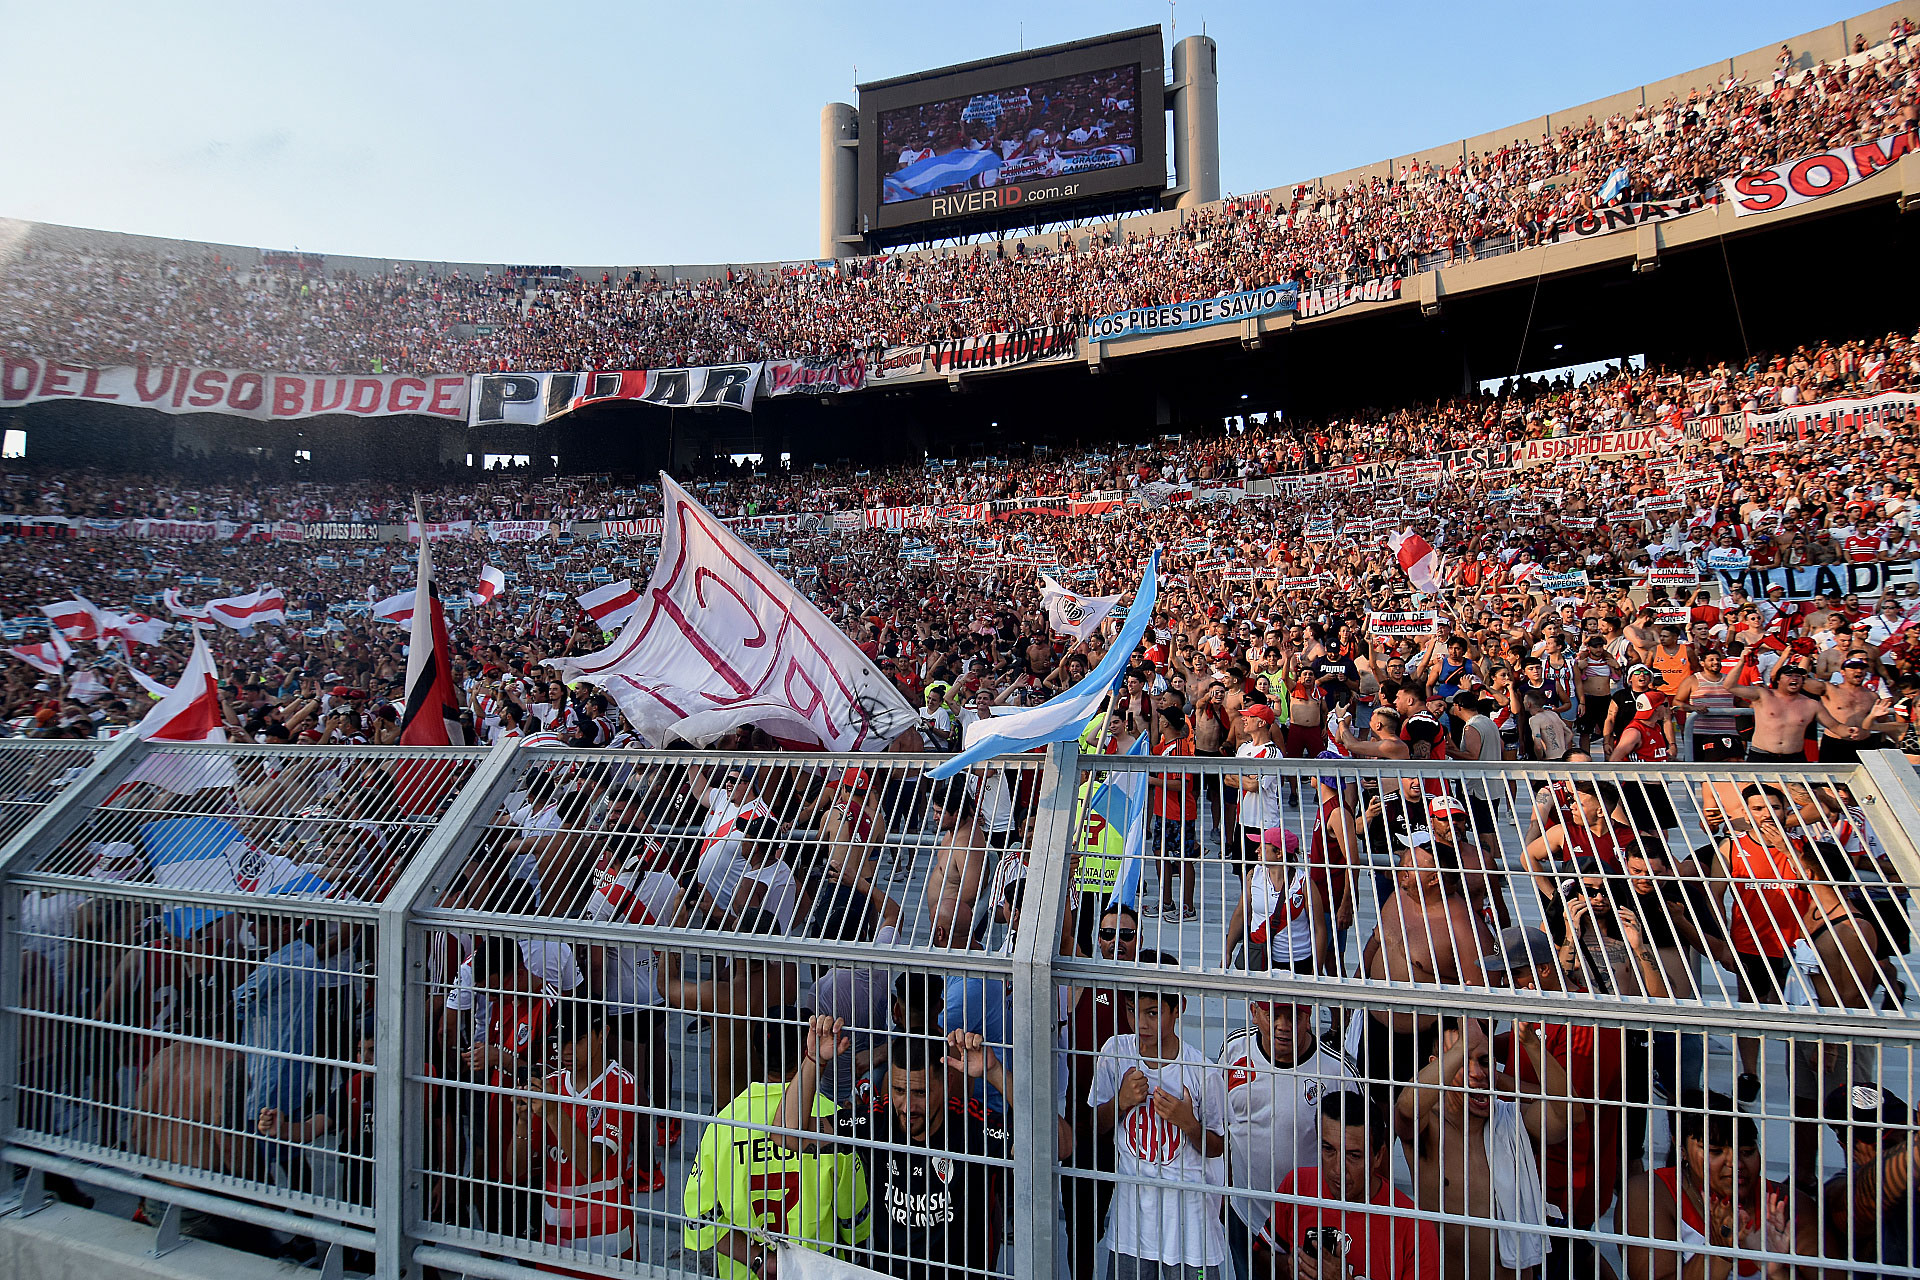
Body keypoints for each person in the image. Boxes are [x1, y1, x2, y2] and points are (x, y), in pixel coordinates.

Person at [777, 1016, 1009, 1280]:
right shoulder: (879, 1118)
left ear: (946, 1085)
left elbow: (1060, 1147)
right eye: (899, 1090)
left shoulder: (972, 1126)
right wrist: (814, 1060)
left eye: (920, 1093)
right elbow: (788, 1134)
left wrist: (995, 1073)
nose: (907, 1107)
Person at [683, 1014, 871, 1280]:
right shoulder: (832, 1120)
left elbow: (698, 1218)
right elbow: (853, 1220)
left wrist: (760, 1260)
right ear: (806, 1052)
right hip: (816, 1272)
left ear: (756, 1052)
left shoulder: (723, 1124)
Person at [1396, 1016, 1579, 1280]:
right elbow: (1406, 1107)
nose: (1477, 1073)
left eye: (1484, 1062)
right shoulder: (1428, 1129)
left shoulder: (1513, 1123)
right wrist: (1462, 1047)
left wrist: (1532, 1045)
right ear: (1438, 1067)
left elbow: (1569, 1115)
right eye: (1462, 1062)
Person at [1090, 953, 1230, 1280]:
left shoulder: (1202, 1072)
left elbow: (1217, 1146)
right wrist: (1121, 1102)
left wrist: (1188, 1123)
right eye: (1131, 1010)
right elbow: (1093, 1125)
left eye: (1153, 1013)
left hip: (1189, 1227)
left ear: (1178, 1007)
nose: (1141, 1024)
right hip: (1131, 1223)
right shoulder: (1115, 1052)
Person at [1218, 1001, 1356, 1280]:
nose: (1283, 1026)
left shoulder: (1336, 1070)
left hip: (1308, 1221)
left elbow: (1365, 1146)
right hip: (1244, 1213)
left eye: (1294, 1016)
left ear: (1309, 1018)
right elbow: (1219, 1121)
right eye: (1273, 1015)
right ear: (1255, 1013)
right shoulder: (1234, 1050)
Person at [1620, 1091, 1819, 1280]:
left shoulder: (1787, 1204)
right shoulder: (1649, 1194)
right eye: (1715, 1151)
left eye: (1747, 1151)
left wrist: (1776, 1271)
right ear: (1681, 1149)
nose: (1736, 1164)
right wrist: (1720, 1253)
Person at [511, 1000, 639, 1267]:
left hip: (608, 1241)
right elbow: (514, 1170)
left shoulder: (621, 1086)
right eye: (560, 1040)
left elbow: (590, 1166)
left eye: (577, 1040)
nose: (566, 1050)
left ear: (602, 1033)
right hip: (555, 1239)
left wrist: (553, 1112)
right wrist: (522, 1121)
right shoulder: (551, 1085)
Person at [1270, 1090, 1440, 1280]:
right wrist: (1292, 1266)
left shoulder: (1414, 1227)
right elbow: (1260, 1256)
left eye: (1353, 1155)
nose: (1338, 1169)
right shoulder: (1297, 1185)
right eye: (1328, 1149)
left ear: (1378, 1156)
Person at [1224, 826, 1336, 976]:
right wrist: (1227, 952)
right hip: (1261, 958)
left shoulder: (1304, 883)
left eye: (1263, 847)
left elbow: (1319, 928)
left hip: (1298, 962)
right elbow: (1241, 914)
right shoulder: (1253, 875)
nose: (1257, 850)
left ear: (1279, 853)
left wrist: (1317, 968)